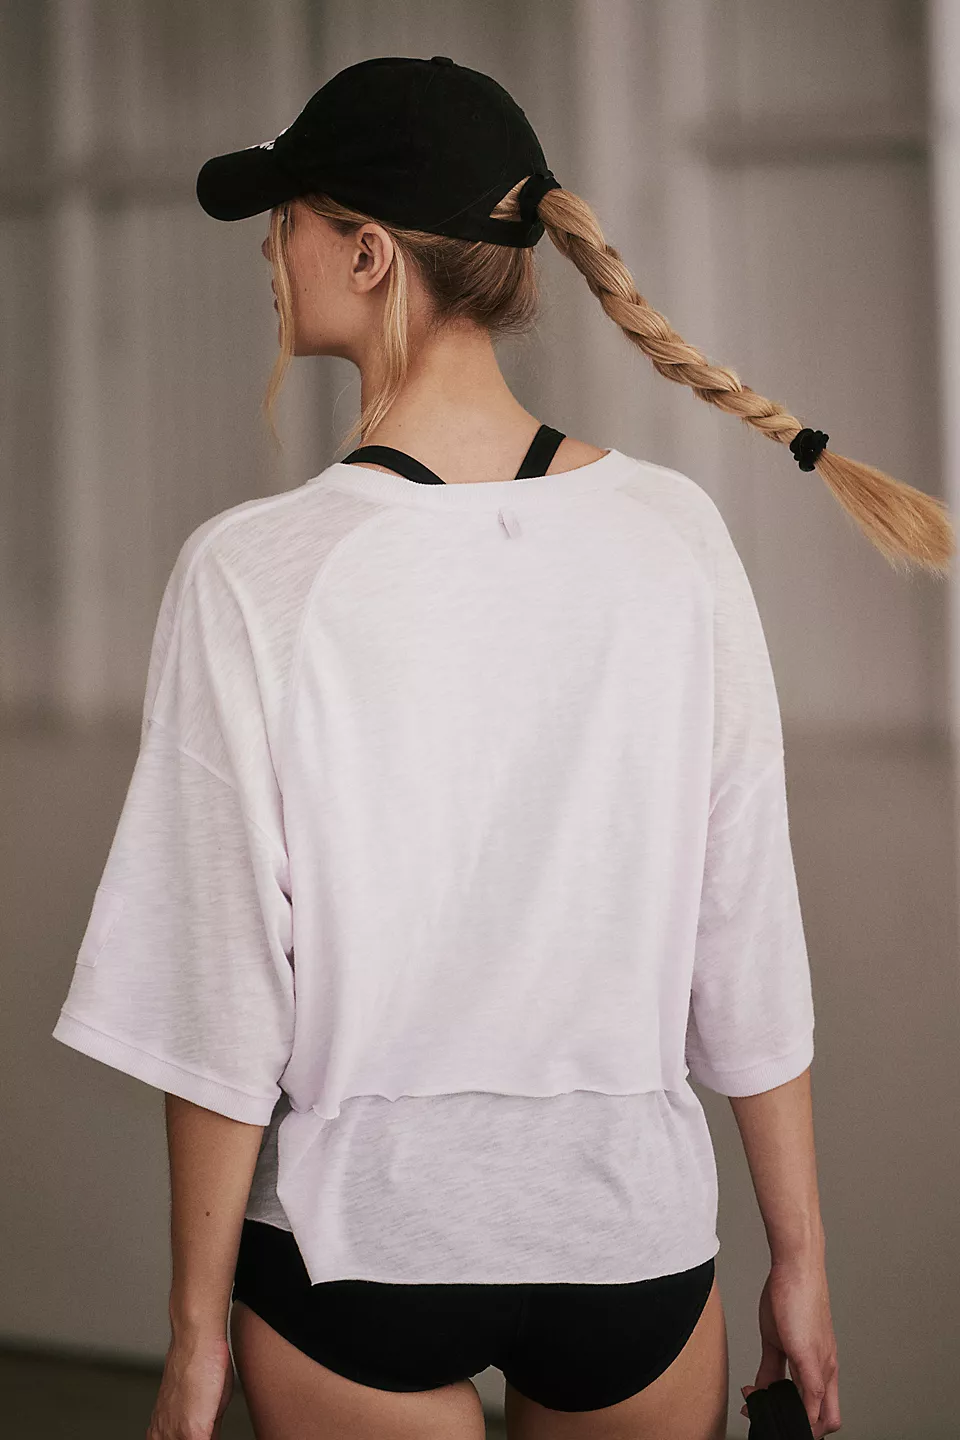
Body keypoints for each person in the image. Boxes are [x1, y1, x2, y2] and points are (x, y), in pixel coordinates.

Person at [53, 55, 952, 1440]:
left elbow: (220, 985)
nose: (269, 256)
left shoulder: (255, 569)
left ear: (367, 253)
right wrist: (802, 1260)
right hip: (631, 1246)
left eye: (285, 220)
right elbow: (746, 936)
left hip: (358, 1249)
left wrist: (192, 1336)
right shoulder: (674, 537)